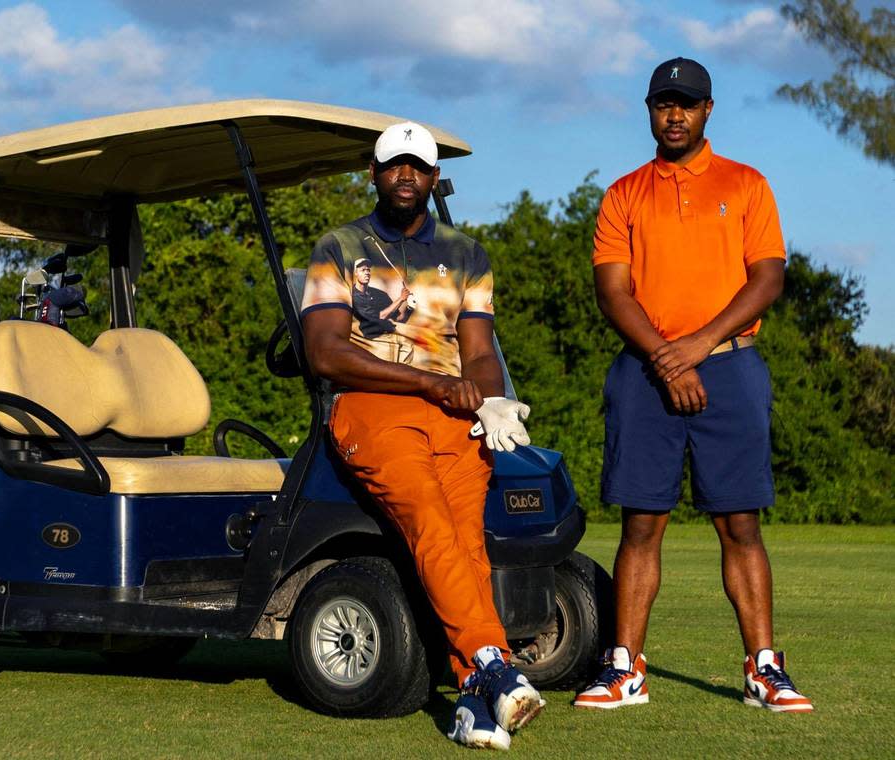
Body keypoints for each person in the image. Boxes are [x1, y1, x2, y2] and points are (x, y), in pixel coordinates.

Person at [574, 57, 813, 713]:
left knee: (740, 523)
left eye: (685, 103)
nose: (673, 115)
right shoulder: (624, 193)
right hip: (643, 371)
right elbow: (612, 291)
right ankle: (624, 669)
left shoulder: (747, 183)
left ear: (708, 110)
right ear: (649, 111)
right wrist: (665, 358)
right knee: (641, 524)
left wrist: (697, 348)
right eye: (662, 103)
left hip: (731, 366)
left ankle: (764, 669)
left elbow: (766, 278)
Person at [301, 121, 543, 750]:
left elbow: (480, 350)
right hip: (372, 407)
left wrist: (492, 397)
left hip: (453, 414)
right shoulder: (339, 245)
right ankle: (493, 663)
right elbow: (325, 353)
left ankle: (472, 701)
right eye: (393, 165)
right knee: (432, 525)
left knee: (468, 544)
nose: (405, 175)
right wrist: (430, 384)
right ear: (374, 174)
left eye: (418, 166)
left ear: (433, 178)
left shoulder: (466, 255)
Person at [351, 257, 412, 339]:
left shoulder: (381, 294)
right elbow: (378, 318)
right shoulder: (353, 296)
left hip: (387, 337)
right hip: (365, 340)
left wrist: (410, 309)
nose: (367, 273)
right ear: (356, 273)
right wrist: (401, 299)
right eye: (363, 270)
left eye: (368, 270)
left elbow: (398, 319)